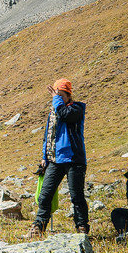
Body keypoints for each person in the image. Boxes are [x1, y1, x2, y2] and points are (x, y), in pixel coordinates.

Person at [24, 78, 88, 239]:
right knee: (45, 195)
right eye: (55, 94)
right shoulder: (54, 112)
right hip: (55, 160)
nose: (56, 98)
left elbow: (66, 115)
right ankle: (38, 227)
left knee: (77, 196)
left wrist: (56, 100)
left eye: (60, 95)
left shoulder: (77, 109)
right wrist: (44, 156)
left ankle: (82, 228)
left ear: (68, 95)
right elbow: (48, 135)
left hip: (74, 160)